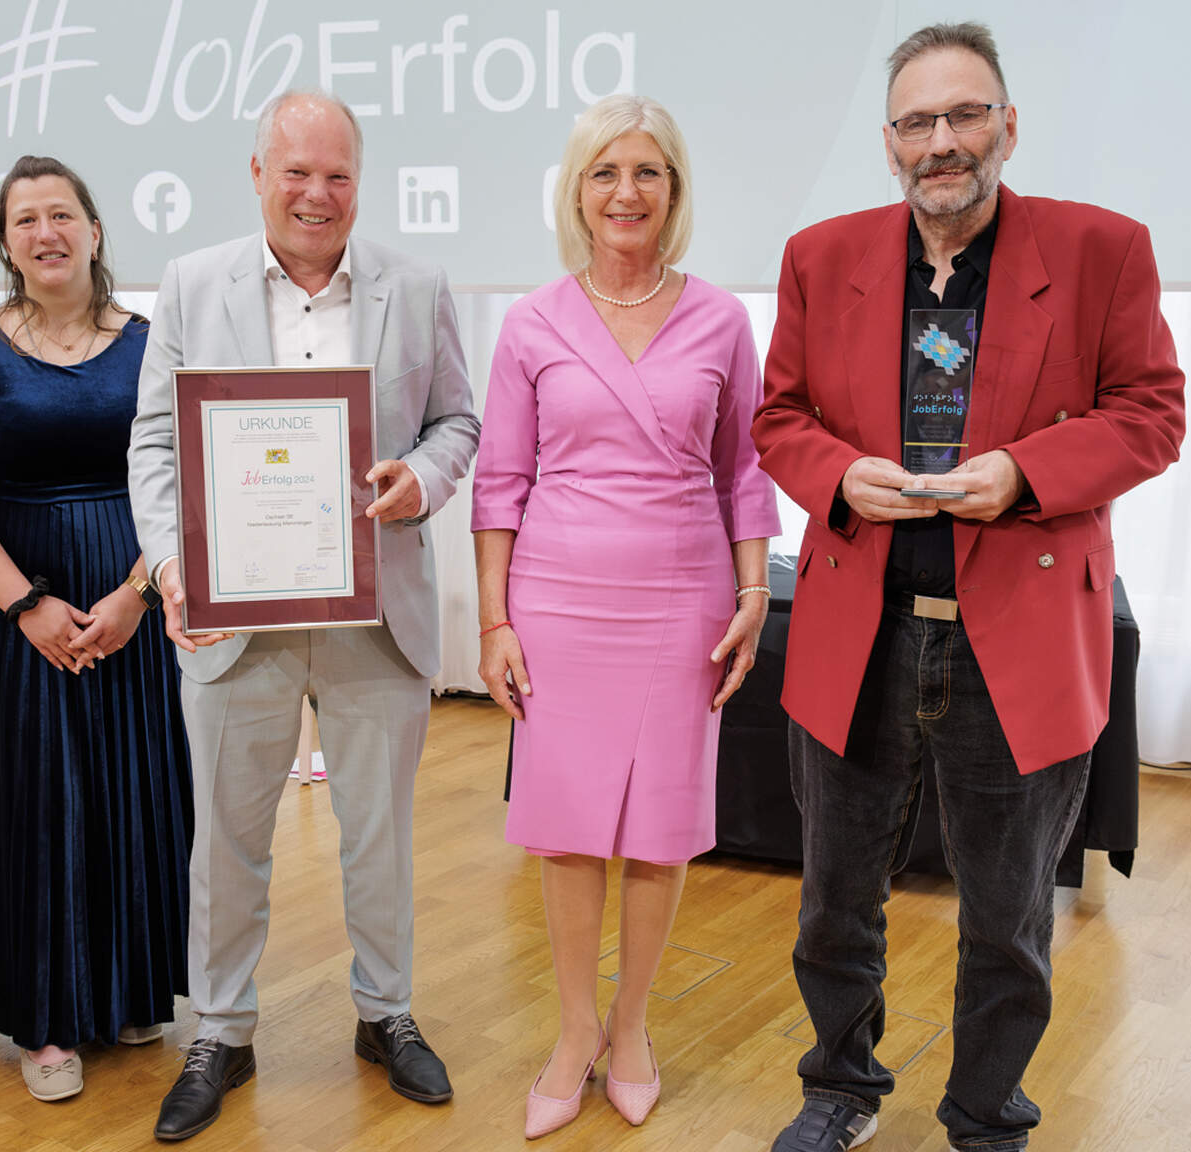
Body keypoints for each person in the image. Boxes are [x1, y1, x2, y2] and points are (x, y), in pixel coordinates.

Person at [753, 22, 1186, 1152]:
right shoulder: (819, 256)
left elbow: (1151, 414)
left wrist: (1026, 475)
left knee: (1005, 918)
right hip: (863, 627)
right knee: (833, 902)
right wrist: (840, 473)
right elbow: (778, 419)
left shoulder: (1102, 250)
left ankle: (985, 1115)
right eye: (916, 122)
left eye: (963, 115)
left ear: (1005, 123)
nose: (940, 142)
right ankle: (837, 1089)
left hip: (1020, 636)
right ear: (887, 142)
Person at [125, 89, 480, 1142]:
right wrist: (169, 564)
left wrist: (418, 480)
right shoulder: (193, 285)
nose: (315, 194)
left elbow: (455, 418)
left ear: (357, 183)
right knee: (226, 843)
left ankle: (386, 1012)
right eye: (295, 172)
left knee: (377, 835)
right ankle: (221, 1029)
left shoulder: (414, 287)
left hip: (378, 610)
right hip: (236, 616)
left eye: (335, 175)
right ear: (256, 174)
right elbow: (154, 443)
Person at [472, 94, 781, 1139]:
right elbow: (498, 483)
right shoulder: (531, 322)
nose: (625, 191)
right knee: (565, 828)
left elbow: (742, 470)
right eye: (605, 172)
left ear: (674, 192)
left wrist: (751, 596)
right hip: (555, 602)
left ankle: (633, 1025)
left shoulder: (721, 319)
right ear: (576, 191)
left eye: (647, 172)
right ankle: (572, 1031)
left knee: (655, 831)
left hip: (680, 601)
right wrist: (492, 622)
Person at [0, 155, 193, 1102]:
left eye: (62, 215)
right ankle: (43, 1025)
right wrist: (27, 604)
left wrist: (136, 596)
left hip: (132, 594)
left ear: (94, 230)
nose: (46, 233)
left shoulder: (152, 342)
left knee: (133, 789)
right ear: (5, 243)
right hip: (18, 607)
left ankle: (125, 990)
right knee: (35, 802)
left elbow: (180, 478)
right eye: (25, 220)